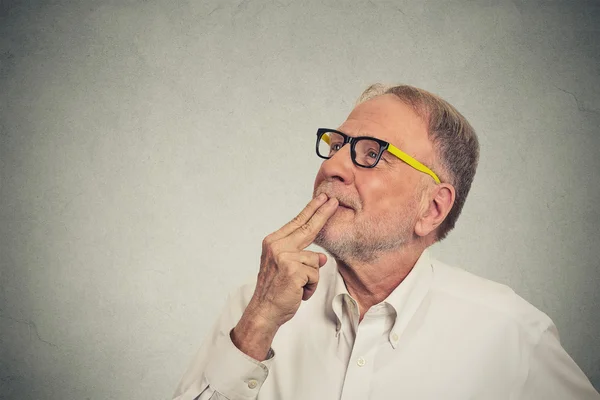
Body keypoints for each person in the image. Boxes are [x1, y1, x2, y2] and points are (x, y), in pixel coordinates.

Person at [172, 84, 599, 399]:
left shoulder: (512, 334)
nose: (333, 165)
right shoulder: (254, 306)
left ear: (431, 209)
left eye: (372, 152)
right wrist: (258, 324)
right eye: (336, 145)